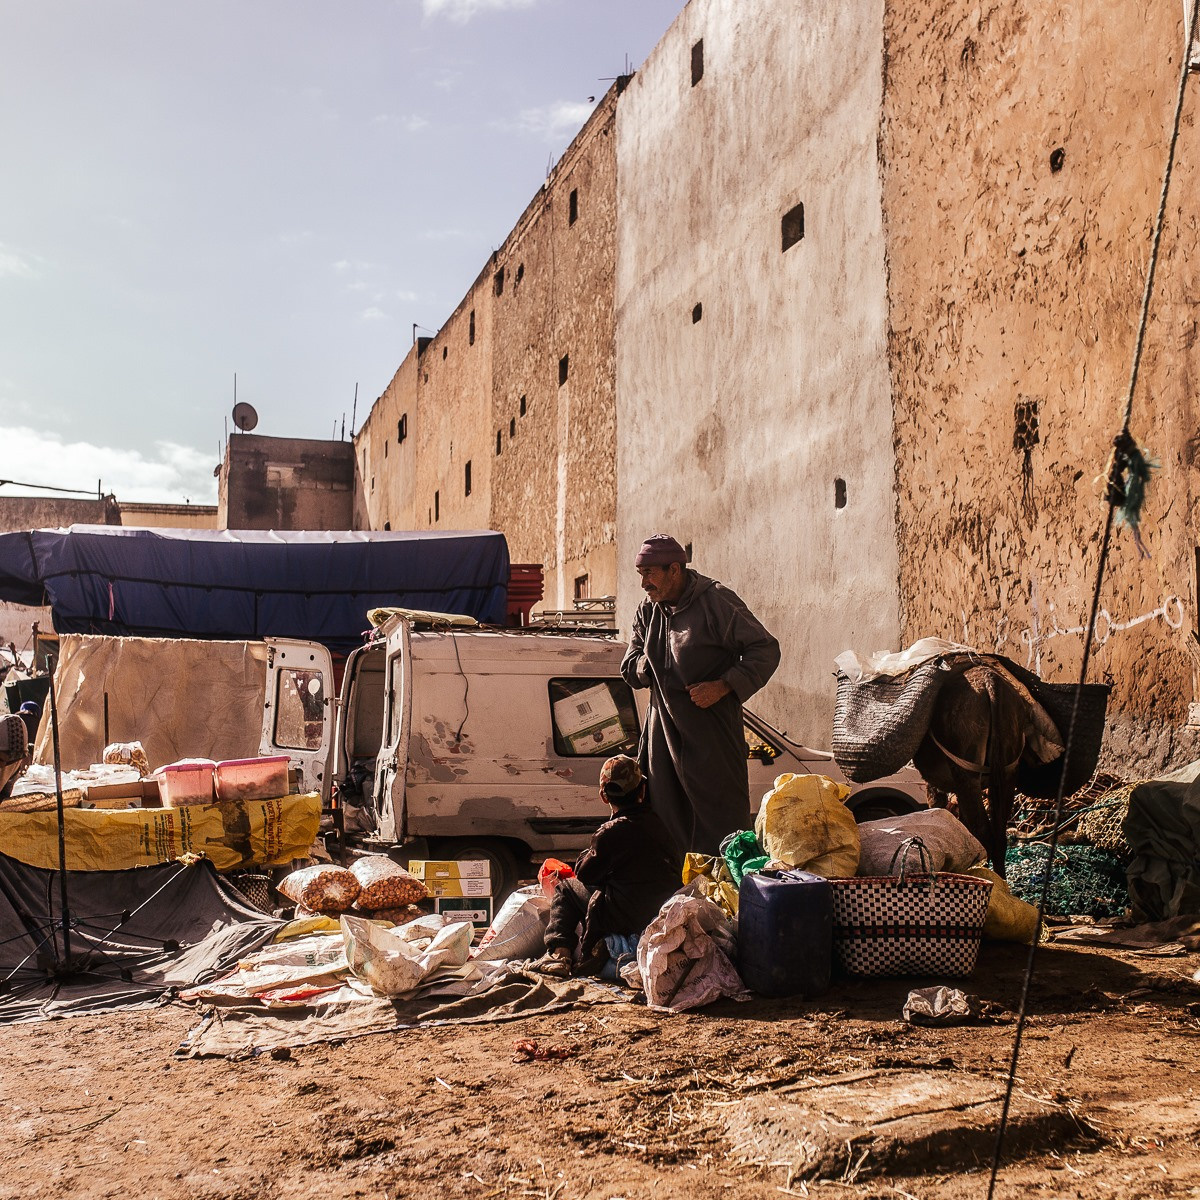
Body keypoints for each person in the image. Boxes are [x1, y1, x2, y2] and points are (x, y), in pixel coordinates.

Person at [621, 534, 781, 857]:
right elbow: (629, 663)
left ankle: (726, 906)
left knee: (722, 835)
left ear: (675, 570)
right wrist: (645, 668)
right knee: (668, 834)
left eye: (650, 574)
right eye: (641, 575)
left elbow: (765, 649)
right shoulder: (647, 611)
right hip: (662, 741)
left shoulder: (717, 602)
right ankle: (678, 908)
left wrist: (722, 686)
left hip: (712, 743)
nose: (644, 584)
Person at [532, 754, 680, 979]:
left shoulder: (610, 832)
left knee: (566, 889)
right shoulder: (658, 823)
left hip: (624, 914)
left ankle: (559, 953)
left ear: (603, 796)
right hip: (660, 910)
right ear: (642, 791)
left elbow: (585, 874)